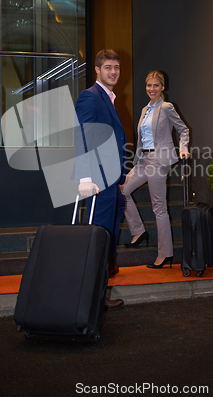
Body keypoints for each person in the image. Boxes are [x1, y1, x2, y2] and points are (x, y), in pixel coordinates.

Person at [121, 70, 190, 268]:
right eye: (149, 85)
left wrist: (183, 148)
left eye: (156, 85)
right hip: (143, 159)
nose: (152, 89)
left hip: (159, 160)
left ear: (162, 88)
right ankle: (139, 231)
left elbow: (183, 129)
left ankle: (165, 253)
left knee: (159, 208)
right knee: (122, 191)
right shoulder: (145, 110)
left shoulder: (167, 107)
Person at [75, 49, 127, 310]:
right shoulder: (90, 97)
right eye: (108, 67)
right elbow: (82, 137)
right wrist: (84, 176)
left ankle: (99, 294)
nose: (113, 71)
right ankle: (94, 299)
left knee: (106, 237)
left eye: (116, 67)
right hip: (96, 180)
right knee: (98, 236)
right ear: (97, 70)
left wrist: (120, 176)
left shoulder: (109, 98)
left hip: (110, 179)